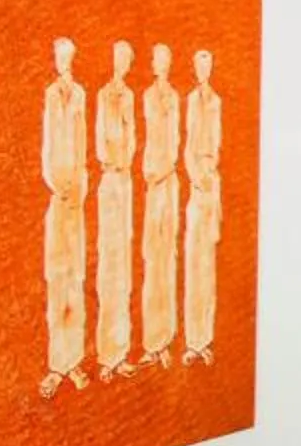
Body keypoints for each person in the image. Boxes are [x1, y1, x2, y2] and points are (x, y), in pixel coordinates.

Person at [38, 38, 88, 397]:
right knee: (58, 278)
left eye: (67, 57)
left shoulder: (81, 95)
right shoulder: (51, 95)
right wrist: (58, 185)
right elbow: (46, 147)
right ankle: (57, 366)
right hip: (59, 195)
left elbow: (83, 144)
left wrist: (80, 187)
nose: (62, 62)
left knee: (76, 277)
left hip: (77, 199)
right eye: (58, 57)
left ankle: (75, 362)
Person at [91, 42, 137, 378]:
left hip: (125, 180)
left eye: (126, 59)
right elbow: (98, 140)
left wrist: (126, 162)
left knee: (123, 264)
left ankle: (120, 352)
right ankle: (105, 355)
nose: (121, 63)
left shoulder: (131, 96)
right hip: (109, 179)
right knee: (108, 262)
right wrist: (112, 162)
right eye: (117, 57)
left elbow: (132, 136)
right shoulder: (102, 94)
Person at [140, 44, 181, 367]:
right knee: (152, 258)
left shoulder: (175, 98)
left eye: (162, 60)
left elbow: (176, 141)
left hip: (167, 182)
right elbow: (146, 137)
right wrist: (149, 172)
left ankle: (165, 339)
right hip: (152, 182)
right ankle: (151, 341)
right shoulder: (147, 96)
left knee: (167, 257)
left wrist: (164, 171)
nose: (158, 64)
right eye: (156, 60)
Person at [183, 48, 223, 365]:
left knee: (207, 264)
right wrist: (197, 177)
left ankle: (204, 338)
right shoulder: (191, 101)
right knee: (194, 260)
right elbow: (187, 145)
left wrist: (210, 176)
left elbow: (217, 145)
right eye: (199, 66)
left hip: (211, 184)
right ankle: (191, 338)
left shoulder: (215, 102)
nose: (202, 71)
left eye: (207, 66)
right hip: (197, 184)